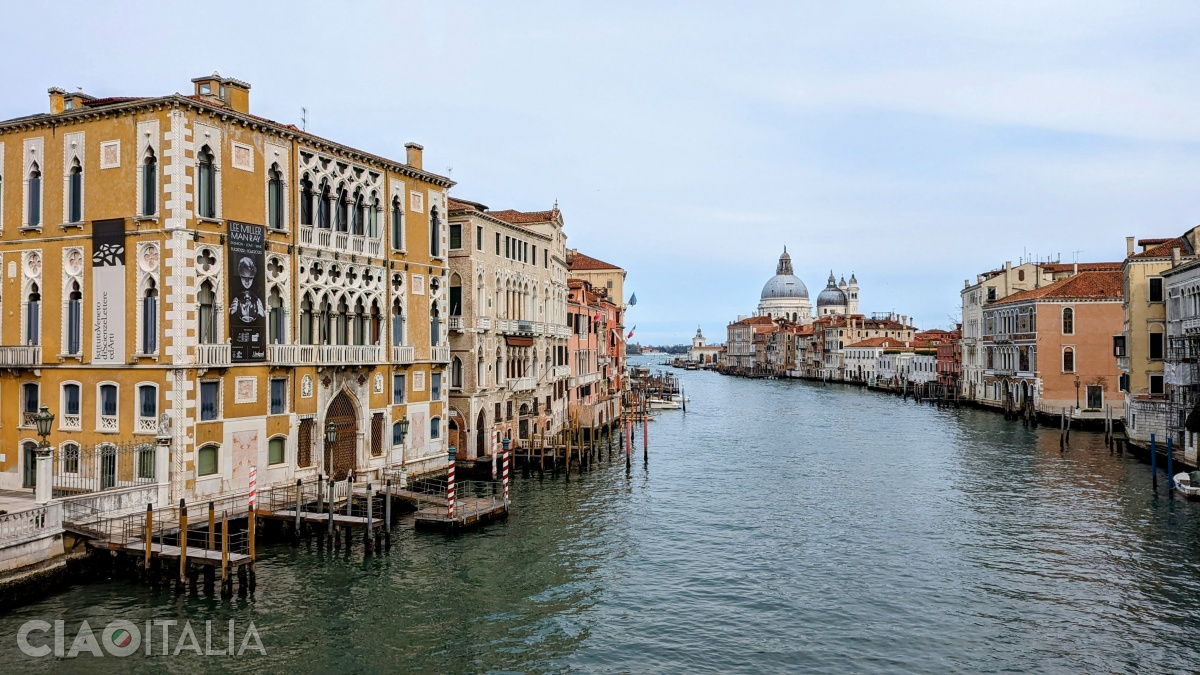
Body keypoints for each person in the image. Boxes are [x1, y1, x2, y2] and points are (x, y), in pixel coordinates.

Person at [230, 256, 265, 323]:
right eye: (244, 277)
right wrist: (230, 312)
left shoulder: (259, 286)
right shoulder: (233, 286)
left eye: (250, 278)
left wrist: (263, 314)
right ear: (240, 275)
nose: (247, 282)